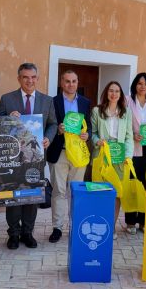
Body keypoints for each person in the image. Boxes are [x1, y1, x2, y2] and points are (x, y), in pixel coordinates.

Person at [0, 63, 57, 249]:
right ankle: (13, 234)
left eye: (33, 77)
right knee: (14, 195)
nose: (29, 81)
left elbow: (53, 123)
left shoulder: (47, 100)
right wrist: (7, 119)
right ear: (19, 78)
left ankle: (27, 233)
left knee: (32, 195)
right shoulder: (7, 99)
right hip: (13, 157)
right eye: (25, 77)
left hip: (36, 157)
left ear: (37, 78)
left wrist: (48, 137)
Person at [46, 70, 91, 243]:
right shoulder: (53, 101)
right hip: (60, 152)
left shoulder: (86, 102)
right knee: (58, 191)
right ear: (61, 82)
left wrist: (87, 135)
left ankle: (75, 226)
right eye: (67, 81)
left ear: (77, 82)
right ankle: (57, 228)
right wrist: (57, 130)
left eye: (74, 81)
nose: (70, 84)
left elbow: (89, 126)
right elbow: (48, 123)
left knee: (76, 192)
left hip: (78, 154)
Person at [91, 81, 134, 238]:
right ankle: (100, 224)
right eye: (111, 90)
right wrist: (97, 141)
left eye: (117, 91)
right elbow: (93, 132)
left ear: (120, 94)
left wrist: (128, 156)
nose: (114, 94)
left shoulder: (126, 112)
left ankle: (112, 226)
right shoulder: (97, 111)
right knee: (101, 191)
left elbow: (129, 136)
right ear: (106, 93)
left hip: (119, 157)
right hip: (102, 155)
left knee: (116, 193)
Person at [125, 72, 146, 234]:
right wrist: (132, 135)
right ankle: (131, 221)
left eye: (145, 83)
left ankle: (144, 221)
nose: (142, 86)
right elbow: (122, 122)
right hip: (133, 148)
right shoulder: (127, 100)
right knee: (132, 185)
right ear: (135, 85)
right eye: (139, 83)